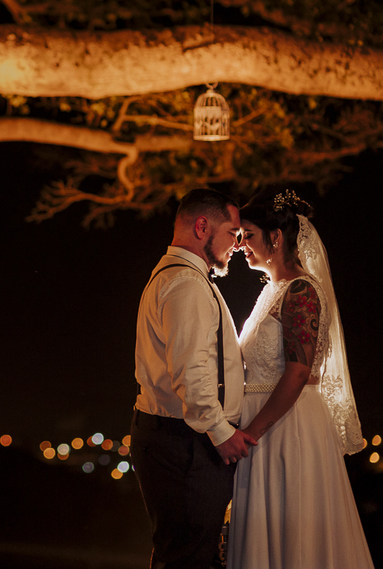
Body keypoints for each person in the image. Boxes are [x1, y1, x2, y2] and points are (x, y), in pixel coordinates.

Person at [228, 189, 374, 569]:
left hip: (285, 429)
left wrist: (251, 433)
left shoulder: (302, 290)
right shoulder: (272, 291)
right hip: (265, 426)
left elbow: (298, 372)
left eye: (248, 235)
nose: (240, 245)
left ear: (275, 237)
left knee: (294, 537)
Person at [132, 188, 255, 569]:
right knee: (190, 559)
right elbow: (192, 370)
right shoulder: (186, 283)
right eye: (232, 233)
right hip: (184, 443)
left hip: (178, 440)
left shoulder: (181, 277)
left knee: (184, 555)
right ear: (202, 227)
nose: (238, 244)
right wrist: (221, 432)